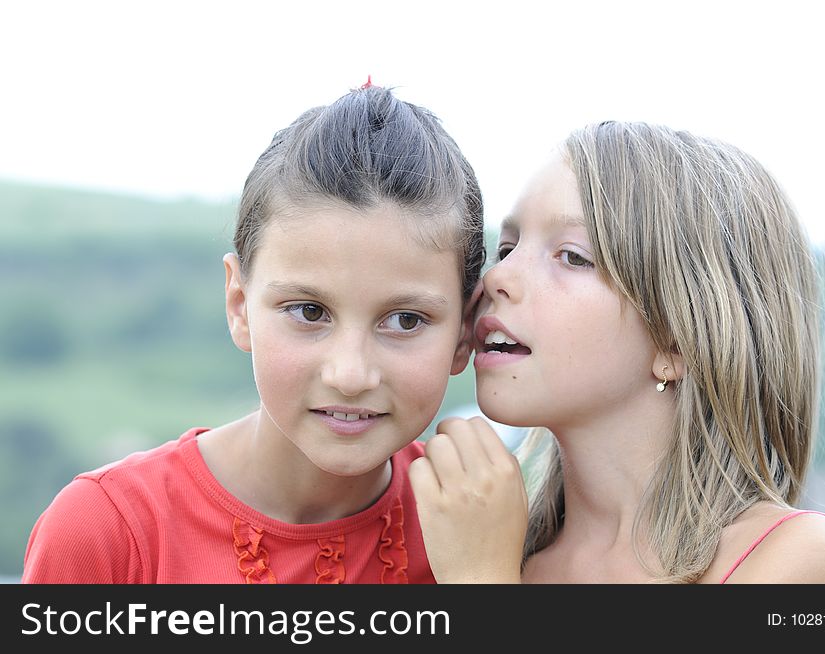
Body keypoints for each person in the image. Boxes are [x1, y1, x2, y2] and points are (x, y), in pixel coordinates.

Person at [22, 82, 485, 583]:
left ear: (464, 333)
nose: (351, 375)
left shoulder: (483, 528)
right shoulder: (107, 532)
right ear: (239, 304)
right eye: (309, 311)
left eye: (405, 321)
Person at [409, 120, 825, 583]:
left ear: (677, 341)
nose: (497, 277)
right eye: (506, 248)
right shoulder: (499, 549)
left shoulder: (793, 557)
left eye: (572, 256)